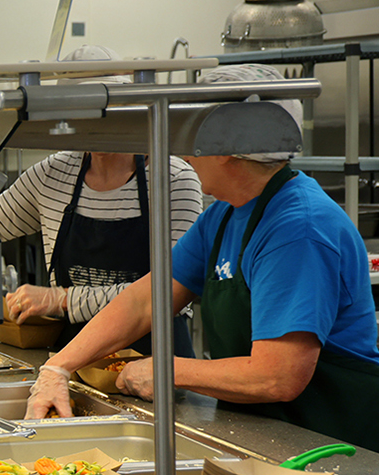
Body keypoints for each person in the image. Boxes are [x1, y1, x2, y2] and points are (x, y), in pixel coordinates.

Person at [27, 66, 379, 448]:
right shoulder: (224, 215)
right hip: (270, 431)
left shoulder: (298, 230)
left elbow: (277, 376)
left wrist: (170, 370)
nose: (182, 153)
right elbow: (145, 301)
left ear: (229, 148)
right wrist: (58, 366)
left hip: (332, 442)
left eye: (194, 135)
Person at [0, 48, 204, 355]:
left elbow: (172, 294)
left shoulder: (174, 179)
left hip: (158, 364)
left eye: (103, 110)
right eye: (78, 115)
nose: (92, 125)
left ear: (130, 107)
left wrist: (61, 300)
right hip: (73, 362)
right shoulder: (53, 174)